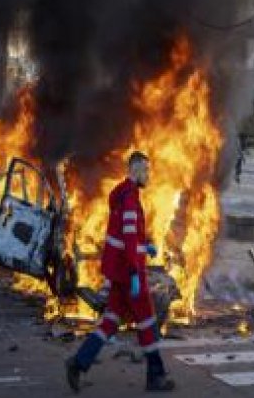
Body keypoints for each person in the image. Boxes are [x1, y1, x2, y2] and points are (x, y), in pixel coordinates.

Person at [65, 151, 175, 393]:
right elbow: (127, 238)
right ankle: (155, 377)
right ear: (135, 171)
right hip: (128, 273)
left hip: (118, 272)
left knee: (110, 322)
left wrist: (144, 246)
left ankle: (78, 363)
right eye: (146, 170)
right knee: (147, 323)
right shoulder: (130, 200)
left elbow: (128, 237)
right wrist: (136, 273)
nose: (148, 174)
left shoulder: (123, 195)